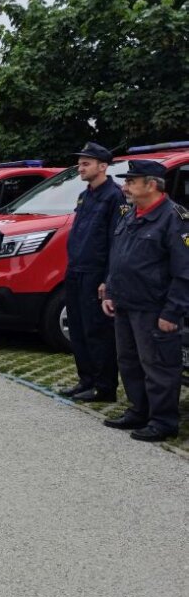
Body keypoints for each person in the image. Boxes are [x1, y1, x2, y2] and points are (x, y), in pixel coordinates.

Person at [100, 159, 188, 442]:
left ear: (151, 185)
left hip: (154, 307)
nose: (125, 186)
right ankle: (140, 410)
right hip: (126, 303)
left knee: (159, 365)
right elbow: (120, 257)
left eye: (131, 181)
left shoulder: (174, 219)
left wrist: (172, 312)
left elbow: (184, 272)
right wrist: (111, 292)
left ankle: (163, 421)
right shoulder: (131, 214)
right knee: (129, 361)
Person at [59, 142, 124, 402]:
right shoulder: (85, 194)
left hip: (95, 273)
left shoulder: (114, 196)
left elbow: (115, 241)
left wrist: (107, 279)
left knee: (97, 331)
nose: (80, 167)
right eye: (80, 163)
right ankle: (85, 380)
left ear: (102, 166)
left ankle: (104, 386)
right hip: (76, 270)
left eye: (86, 163)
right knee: (78, 328)